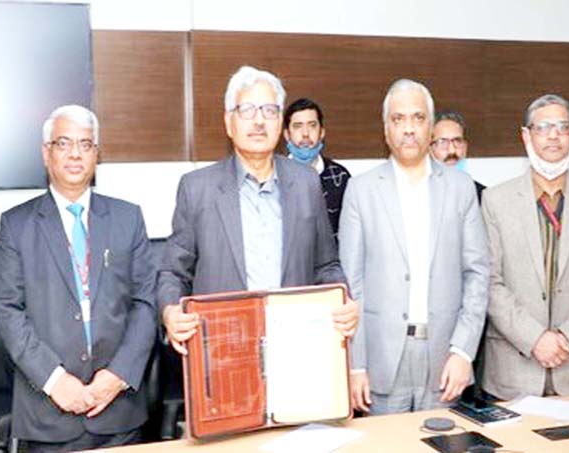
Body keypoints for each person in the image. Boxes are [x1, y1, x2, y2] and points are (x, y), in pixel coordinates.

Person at [158, 66, 358, 356]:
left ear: (280, 124)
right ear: (229, 122)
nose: (259, 121)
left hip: (296, 347)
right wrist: (170, 312)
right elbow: (173, 272)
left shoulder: (306, 183)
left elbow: (326, 265)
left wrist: (344, 298)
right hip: (222, 349)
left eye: (269, 110)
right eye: (248, 110)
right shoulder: (197, 188)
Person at [0, 105, 156, 452]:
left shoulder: (128, 218)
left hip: (118, 410)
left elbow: (146, 303)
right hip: (47, 412)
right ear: (46, 153)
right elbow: (8, 311)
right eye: (63, 144)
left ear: (97, 154)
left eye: (85, 144)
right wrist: (55, 381)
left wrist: (117, 376)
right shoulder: (16, 225)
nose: (75, 154)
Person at [339, 79, 488, 415]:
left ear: (431, 127)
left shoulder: (461, 188)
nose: (409, 129)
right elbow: (351, 286)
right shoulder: (360, 191)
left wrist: (463, 351)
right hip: (380, 359)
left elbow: (477, 274)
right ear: (386, 129)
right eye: (398, 119)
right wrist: (355, 364)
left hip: (445, 359)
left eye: (418, 118)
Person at [480, 94, 569, 401]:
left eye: (562, 126)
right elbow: (488, 282)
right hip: (512, 374)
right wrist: (535, 339)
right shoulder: (495, 200)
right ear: (526, 136)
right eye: (543, 127)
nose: (553, 135)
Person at [283, 98, 351, 240]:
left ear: (321, 133)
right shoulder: (274, 175)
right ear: (287, 135)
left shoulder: (340, 177)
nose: (305, 133)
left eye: (312, 125)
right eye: (297, 126)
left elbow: (349, 234)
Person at [430, 110, 486, 202]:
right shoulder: (417, 193)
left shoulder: (483, 196)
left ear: (465, 147)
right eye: (442, 142)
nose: (452, 150)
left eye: (458, 141)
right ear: (429, 148)